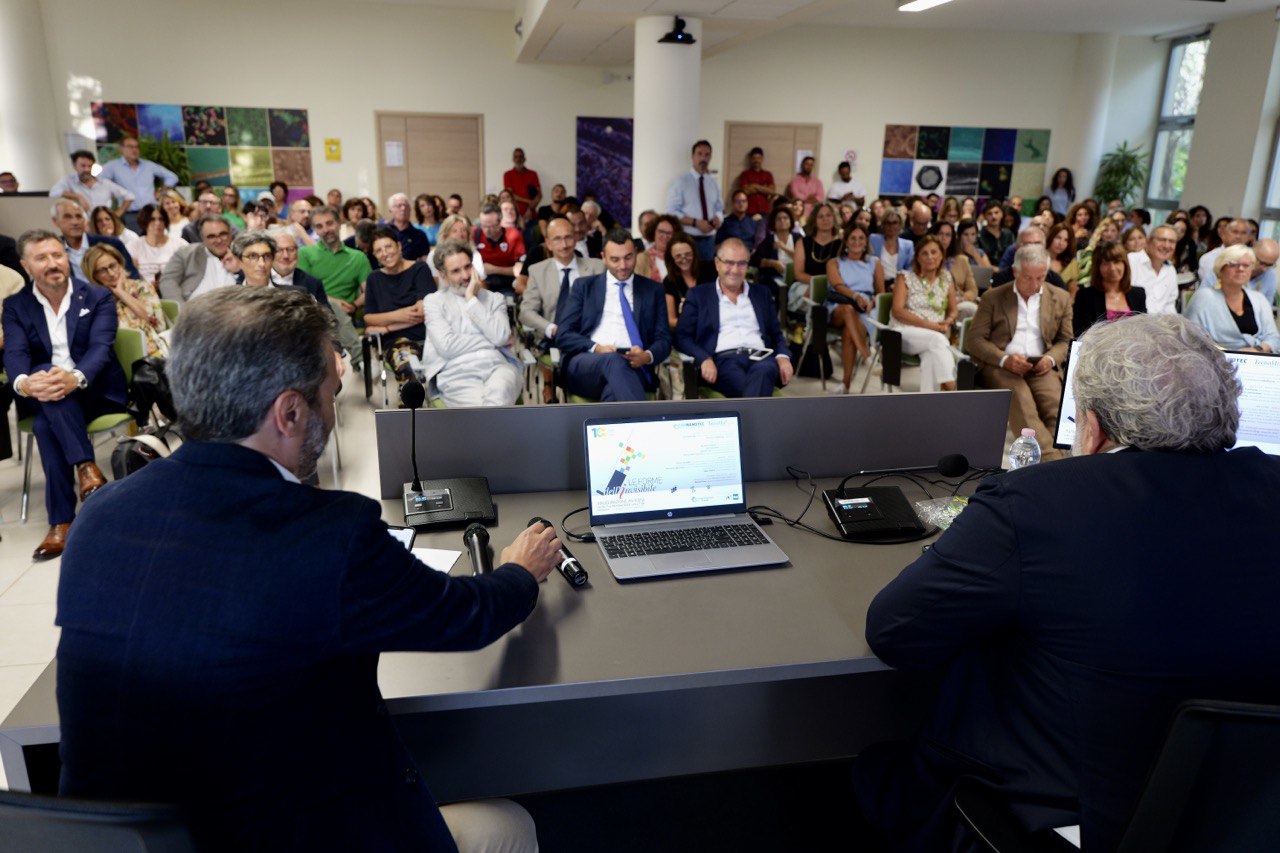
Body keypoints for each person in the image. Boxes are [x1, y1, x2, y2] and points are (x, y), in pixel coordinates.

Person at [55, 285, 555, 851]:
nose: (334, 411)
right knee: (508, 827)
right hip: (293, 832)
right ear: (290, 412)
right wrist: (520, 568)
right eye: (331, 394)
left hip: (140, 839)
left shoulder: (98, 516)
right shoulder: (330, 535)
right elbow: (467, 618)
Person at [858, 310, 1280, 850]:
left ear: (1093, 425)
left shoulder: (1037, 505)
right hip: (1246, 817)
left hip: (1074, 818)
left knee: (878, 771)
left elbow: (895, 631)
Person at [4, 229, 127, 559]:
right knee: (45, 379)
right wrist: (24, 383)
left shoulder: (97, 296)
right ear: (25, 265)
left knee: (49, 412)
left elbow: (101, 349)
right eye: (41, 258)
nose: (52, 263)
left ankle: (62, 523)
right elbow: (15, 354)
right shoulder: (15, 306)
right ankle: (85, 467)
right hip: (45, 393)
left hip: (95, 390)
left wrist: (74, 377)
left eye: (57, 255)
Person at [967, 243, 1073, 460]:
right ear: (1015, 272)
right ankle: (1050, 461)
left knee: (1055, 405)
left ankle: (1062, 461)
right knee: (1023, 403)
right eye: (1028, 278)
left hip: (1040, 363)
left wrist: (1051, 359)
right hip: (1002, 365)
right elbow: (974, 340)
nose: (1034, 285)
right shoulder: (993, 297)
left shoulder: (1060, 298)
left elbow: (1065, 340)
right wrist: (1004, 359)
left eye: (1040, 277)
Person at [555, 229, 671, 402]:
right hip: (587, 361)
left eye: (628, 257)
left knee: (614, 393)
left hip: (633, 363)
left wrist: (646, 356)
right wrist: (596, 347)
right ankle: (647, 423)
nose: (623, 266)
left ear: (636, 254)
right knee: (614, 362)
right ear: (603, 257)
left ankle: (623, 428)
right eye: (615, 259)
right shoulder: (584, 287)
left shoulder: (653, 290)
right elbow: (563, 334)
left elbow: (664, 340)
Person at [675, 238, 792, 398]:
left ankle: (751, 419)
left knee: (765, 370)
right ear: (717, 263)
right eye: (729, 263)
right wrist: (704, 359)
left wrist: (783, 357)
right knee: (746, 384)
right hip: (723, 361)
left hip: (762, 357)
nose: (735, 270)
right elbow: (682, 337)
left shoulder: (761, 294)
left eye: (741, 263)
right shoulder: (699, 295)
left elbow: (776, 333)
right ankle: (760, 418)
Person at [423, 240, 521, 407]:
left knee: (498, 398)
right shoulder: (434, 302)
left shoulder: (494, 298)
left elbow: (500, 337)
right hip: (456, 372)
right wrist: (490, 342)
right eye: (456, 271)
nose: (466, 276)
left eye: (468, 267)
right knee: (481, 413)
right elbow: (447, 346)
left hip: (498, 367)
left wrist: (471, 301)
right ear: (444, 276)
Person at [357, 228, 436, 395]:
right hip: (394, 344)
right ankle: (411, 399)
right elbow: (369, 318)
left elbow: (422, 311)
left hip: (427, 338)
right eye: (379, 250)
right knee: (406, 364)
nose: (385, 253)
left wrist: (386, 326)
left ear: (399, 246)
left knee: (411, 366)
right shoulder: (374, 278)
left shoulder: (419, 269)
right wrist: (402, 315)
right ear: (375, 256)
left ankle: (411, 399)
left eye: (388, 247)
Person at [298, 205, 370, 371]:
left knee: (338, 308)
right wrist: (333, 301)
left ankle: (359, 361)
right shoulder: (305, 254)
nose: (325, 230)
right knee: (334, 306)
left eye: (329, 223)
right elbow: (304, 291)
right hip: (314, 309)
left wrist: (354, 304)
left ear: (339, 224)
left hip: (348, 311)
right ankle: (360, 358)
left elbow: (369, 292)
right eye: (319, 226)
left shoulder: (357, 257)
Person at [520, 217, 605, 345]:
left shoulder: (597, 267)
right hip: (553, 340)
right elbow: (526, 312)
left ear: (575, 239)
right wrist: (552, 329)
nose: (564, 245)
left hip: (590, 338)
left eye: (568, 237)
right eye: (557, 239)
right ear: (548, 244)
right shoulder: (537, 271)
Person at [889, 235, 958, 392]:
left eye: (934, 252)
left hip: (933, 336)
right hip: (904, 332)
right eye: (924, 253)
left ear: (941, 255)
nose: (930, 257)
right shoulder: (905, 277)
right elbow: (898, 311)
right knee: (938, 341)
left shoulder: (946, 278)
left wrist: (949, 320)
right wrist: (931, 326)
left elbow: (953, 309)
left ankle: (927, 405)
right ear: (918, 258)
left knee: (930, 358)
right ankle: (953, 388)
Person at [1185, 244, 1280, 353]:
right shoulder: (1204, 297)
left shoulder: (1259, 299)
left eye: (1246, 265)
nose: (1240, 269)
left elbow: (1274, 338)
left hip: (1255, 359)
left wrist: (1255, 350)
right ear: (1220, 268)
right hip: (1215, 361)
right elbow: (1191, 340)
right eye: (1233, 264)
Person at [83, 243, 168, 357]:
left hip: (150, 356)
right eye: (103, 270)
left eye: (113, 266)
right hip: (113, 356)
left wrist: (121, 293)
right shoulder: (93, 298)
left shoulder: (141, 286)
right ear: (94, 275)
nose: (111, 274)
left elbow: (157, 323)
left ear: (120, 264)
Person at [824, 224, 881, 393]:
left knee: (849, 333)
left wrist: (872, 301)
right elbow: (837, 285)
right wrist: (855, 296)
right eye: (853, 238)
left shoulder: (874, 262)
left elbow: (880, 292)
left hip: (866, 308)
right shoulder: (834, 262)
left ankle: (845, 385)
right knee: (848, 310)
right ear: (846, 241)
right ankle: (866, 355)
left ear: (866, 241)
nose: (857, 242)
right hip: (839, 305)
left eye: (861, 238)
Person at [51, 199, 143, 282]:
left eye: (79, 216)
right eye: (67, 217)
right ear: (55, 221)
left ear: (85, 221)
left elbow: (132, 276)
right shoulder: (53, 251)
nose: (75, 222)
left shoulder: (112, 243)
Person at [1073, 241, 1146, 338]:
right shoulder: (1085, 296)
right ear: (1097, 267)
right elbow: (1080, 335)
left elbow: (1144, 330)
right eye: (1105, 263)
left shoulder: (1138, 294)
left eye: (1117, 262)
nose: (1112, 268)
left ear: (1125, 264)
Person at [667, 140, 723, 260]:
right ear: (693, 156)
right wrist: (695, 222)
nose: (703, 158)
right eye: (700, 154)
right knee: (688, 276)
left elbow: (719, 208)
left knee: (706, 276)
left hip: (709, 241)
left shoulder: (713, 183)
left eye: (707, 155)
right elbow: (671, 212)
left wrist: (718, 218)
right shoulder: (681, 182)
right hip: (688, 240)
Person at [159, 216, 237, 302]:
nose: (218, 240)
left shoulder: (243, 254)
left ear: (230, 234)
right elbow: (168, 280)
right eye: (211, 236)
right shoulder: (186, 253)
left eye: (223, 234)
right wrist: (181, 310)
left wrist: (239, 267)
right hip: (195, 311)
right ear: (202, 238)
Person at [49, 150, 133, 216]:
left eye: (90, 166)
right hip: (83, 225)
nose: (87, 170)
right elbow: (53, 193)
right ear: (74, 165)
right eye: (83, 166)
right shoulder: (68, 180)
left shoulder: (104, 183)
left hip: (103, 225)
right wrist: (77, 196)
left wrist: (117, 214)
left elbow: (129, 196)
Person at [1127, 223, 1179, 315]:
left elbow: (1169, 307)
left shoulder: (1171, 270)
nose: (1167, 246)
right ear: (1148, 241)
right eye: (1162, 240)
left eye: (1172, 241)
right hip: (1131, 324)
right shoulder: (1131, 261)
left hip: (1159, 327)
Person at [474, 202, 526, 294]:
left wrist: (494, 269)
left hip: (506, 283)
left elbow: (520, 269)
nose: (486, 230)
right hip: (481, 281)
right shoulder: (475, 234)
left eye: (490, 226)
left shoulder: (513, 236)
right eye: (483, 225)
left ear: (499, 223)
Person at [662, 232, 710, 330]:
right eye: (678, 256)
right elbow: (671, 320)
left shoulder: (710, 270)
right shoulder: (669, 281)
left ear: (694, 253)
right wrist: (692, 322)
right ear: (671, 258)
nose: (684, 259)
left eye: (688, 254)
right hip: (686, 331)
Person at [127, 203, 187, 283]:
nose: (157, 223)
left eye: (161, 219)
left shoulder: (180, 244)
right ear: (144, 221)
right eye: (152, 219)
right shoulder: (133, 246)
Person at [749, 205, 798, 302]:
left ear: (790, 221)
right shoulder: (769, 240)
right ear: (774, 223)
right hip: (775, 277)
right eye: (778, 219)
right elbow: (754, 260)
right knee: (779, 289)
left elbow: (803, 258)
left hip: (795, 277)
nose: (782, 221)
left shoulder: (798, 238)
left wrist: (783, 247)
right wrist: (772, 263)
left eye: (785, 218)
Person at [932, 221, 978, 319]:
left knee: (970, 308)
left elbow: (973, 290)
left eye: (948, 235)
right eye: (940, 234)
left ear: (952, 239)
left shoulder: (962, 260)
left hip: (960, 301)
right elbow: (923, 284)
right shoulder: (928, 260)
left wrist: (962, 299)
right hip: (935, 302)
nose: (943, 238)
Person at [1197, 218, 1252, 286]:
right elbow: (1214, 286)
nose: (1238, 236)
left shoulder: (1252, 259)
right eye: (1235, 232)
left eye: (1243, 233)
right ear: (1224, 234)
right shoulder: (1209, 258)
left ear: (1249, 237)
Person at [869, 209, 914, 285]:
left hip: (898, 284)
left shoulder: (908, 245)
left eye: (895, 223)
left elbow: (909, 270)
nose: (891, 226)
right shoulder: (873, 239)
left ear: (900, 224)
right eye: (888, 223)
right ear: (883, 224)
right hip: (876, 283)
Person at [383, 193, 430, 261]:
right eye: (399, 206)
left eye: (406, 206)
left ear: (410, 209)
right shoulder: (383, 231)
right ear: (390, 210)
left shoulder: (419, 235)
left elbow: (424, 260)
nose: (403, 208)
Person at [634, 213, 679, 281]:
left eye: (669, 233)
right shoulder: (641, 259)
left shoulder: (679, 257)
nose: (665, 236)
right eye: (661, 232)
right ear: (653, 233)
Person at [735, 147, 775, 217]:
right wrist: (764, 188)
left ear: (762, 159)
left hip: (765, 212)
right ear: (750, 159)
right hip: (748, 212)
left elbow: (771, 191)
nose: (756, 160)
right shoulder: (745, 174)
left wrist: (754, 186)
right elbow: (745, 191)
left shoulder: (768, 174)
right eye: (754, 158)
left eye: (758, 158)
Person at [503, 147, 541, 219]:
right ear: (513, 159)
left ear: (524, 159)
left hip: (531, 215)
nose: (518, 159)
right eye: (516, 157)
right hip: (514, 214)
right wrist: (528, 201)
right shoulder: (507, 175)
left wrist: (530, 209)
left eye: (520, 157)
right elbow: (510, 195)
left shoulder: (533, 174)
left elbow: (539, 194)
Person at [786, 156, 824, 221]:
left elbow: (820, 198)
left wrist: (804, 199)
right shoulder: (795, 181)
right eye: (807, 164)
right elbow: (796, 196)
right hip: (798, 215)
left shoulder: (817, 182)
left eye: (811, 165)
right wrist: (811, 198)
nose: (809, 166)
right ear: (802, 165)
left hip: (813, 215)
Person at [977, 199, 1014, 263]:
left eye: (996, 213)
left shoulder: (1008, 234)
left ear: (1002, 214)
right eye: (989, 214)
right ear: (985, 216)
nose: (994, 216)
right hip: (986, 270)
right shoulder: (979, 236)